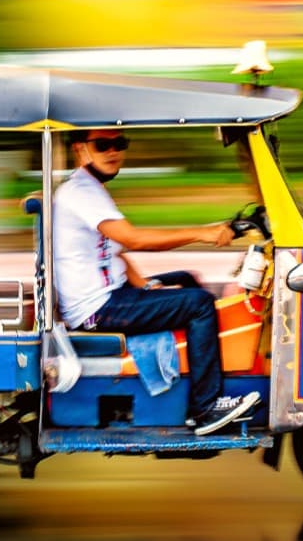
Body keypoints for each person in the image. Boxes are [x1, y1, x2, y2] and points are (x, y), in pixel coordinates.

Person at [52, 128, 257, 435]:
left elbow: (116, 253)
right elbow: (133, 239)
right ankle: (205, 409)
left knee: (186, 280)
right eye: (102, 144)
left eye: (119, 144)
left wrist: (146, 286)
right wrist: (203, 233)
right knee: (199, 305)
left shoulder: (89, 188)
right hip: (98, 308)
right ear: (81, 150)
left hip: (111, 294)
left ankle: (200, 372)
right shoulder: (81, 193)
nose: (112, 151)